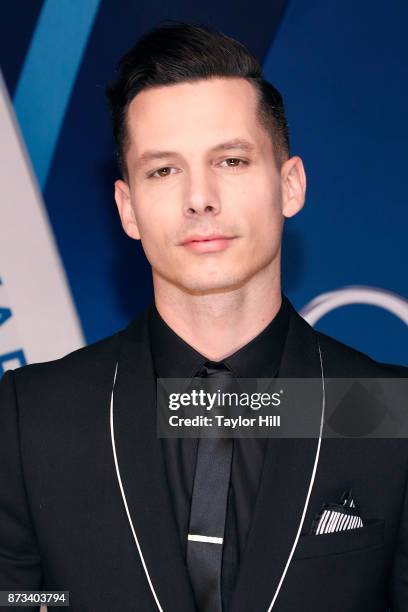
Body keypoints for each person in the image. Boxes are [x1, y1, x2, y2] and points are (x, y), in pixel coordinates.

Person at [0, 21, 407, 612]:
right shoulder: (31, 420)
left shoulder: (390, 415)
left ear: (289, 185)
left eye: (232, 161)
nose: (200, 197)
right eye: (163, 170)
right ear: (127, 207)